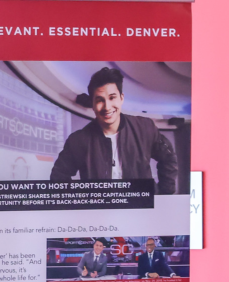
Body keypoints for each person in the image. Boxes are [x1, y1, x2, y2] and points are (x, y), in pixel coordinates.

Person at [50, 67, 178, 194]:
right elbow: (58, 178)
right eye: (100, 100)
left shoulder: (145, 127)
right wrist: (83, 201)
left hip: (142, 207)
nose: (107, 107)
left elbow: (168, 157)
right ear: (93, 104)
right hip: (102, 212)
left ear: (121, 98)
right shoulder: (77, 140)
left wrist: (164, 195)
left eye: (112, 98)